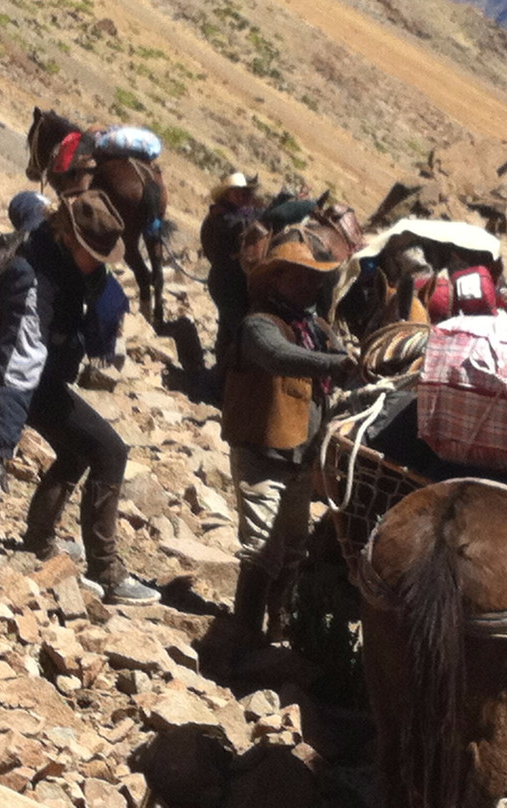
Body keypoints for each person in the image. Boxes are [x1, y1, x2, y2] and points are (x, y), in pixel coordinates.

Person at [0, 189, 159, 605]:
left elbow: (22, 203)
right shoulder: (32, 282)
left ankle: (38, 542)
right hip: (22, 382)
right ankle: (108, 572)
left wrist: (31, 197)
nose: (99, 266)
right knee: (110, 452)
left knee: (75, 453)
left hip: (39, 374)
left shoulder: (45, 226)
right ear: (70, 238)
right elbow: (19, 364)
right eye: (93, 253)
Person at [221, 232, 356, 650]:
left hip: (300, 455)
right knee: (261, 547)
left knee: (293, 548)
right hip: (263, 451)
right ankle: (245, 635)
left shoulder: (316, 328)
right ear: (274, 280)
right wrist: (339, 363)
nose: (311, 285)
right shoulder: (258, 326)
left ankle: (277, 630)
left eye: (314, 278)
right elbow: (279, 357)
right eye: (299, 277)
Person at [201, 171, 263, 372]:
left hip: (231, 281)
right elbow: (241, 226)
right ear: (227, 194)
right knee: (238, 327)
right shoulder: (222, 217)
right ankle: (229, 375)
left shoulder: (235, 214)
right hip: (226, 282)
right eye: (239, 193)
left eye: (245, 193)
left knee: (228, 327)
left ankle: (222, 373)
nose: (244, 197)